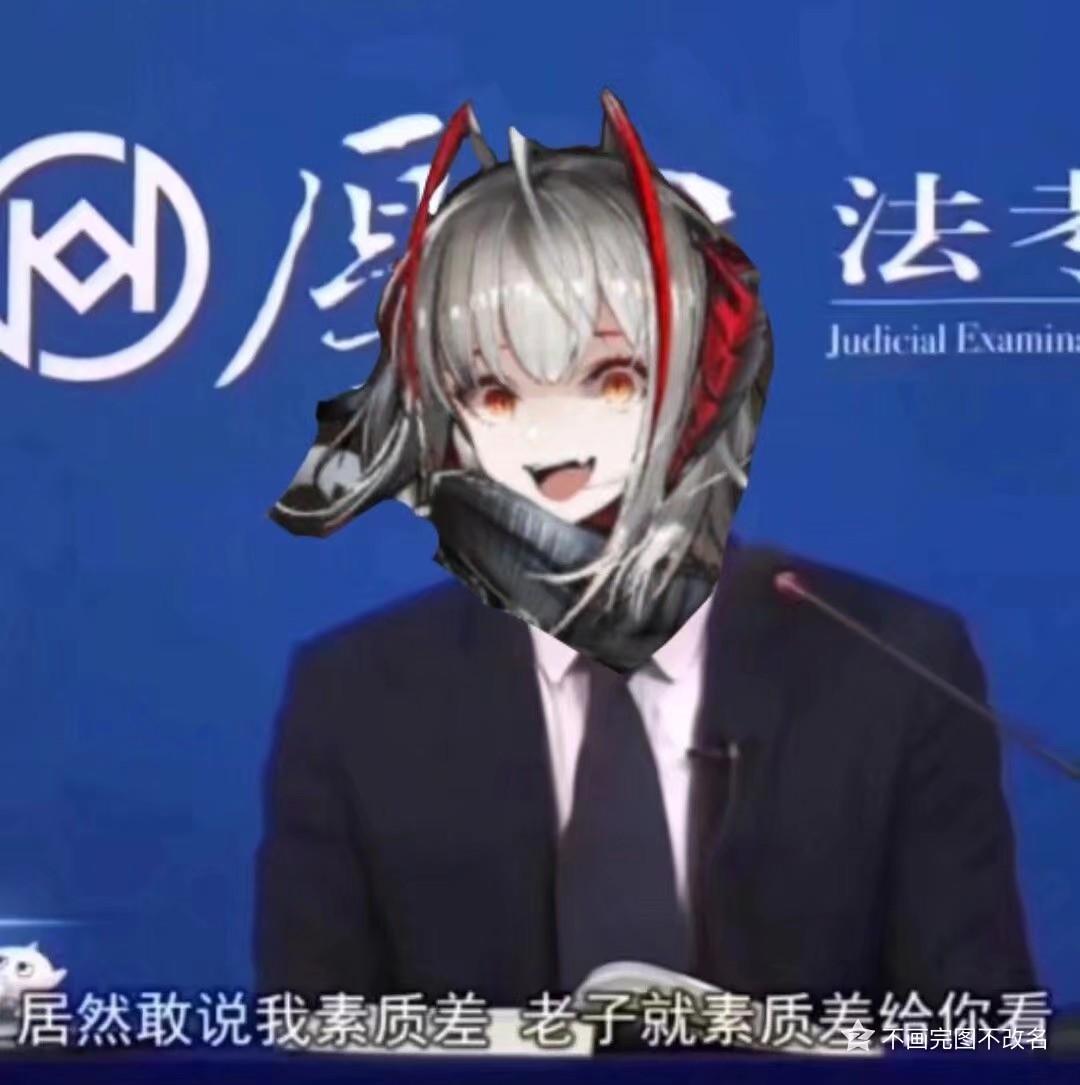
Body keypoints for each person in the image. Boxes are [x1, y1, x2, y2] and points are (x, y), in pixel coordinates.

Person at [254, 92, 1034, 1014]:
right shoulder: (357, 699)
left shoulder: (894, 671)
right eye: (498, 395)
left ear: (703, 375)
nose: (555, 437)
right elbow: (312, 1037)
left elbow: (982, 1034)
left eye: (612, 378)